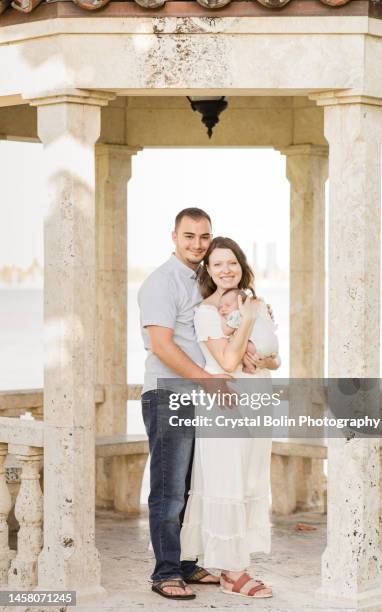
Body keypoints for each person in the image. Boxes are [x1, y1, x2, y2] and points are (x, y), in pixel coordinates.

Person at [180, 236, 280, 599]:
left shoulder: (253, 301)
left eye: (232, 262)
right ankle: (231, 573)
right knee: (227, 481)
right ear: (208, 269)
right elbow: (225, 362)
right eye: (218, 263)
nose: (227, 270)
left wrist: (262, 357)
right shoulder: (206, 312)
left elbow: (276, 359)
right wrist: (249, 322)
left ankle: (238, 565)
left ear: (242, 265)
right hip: (226, 405)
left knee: (250, 480)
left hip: (258, 401)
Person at [138, 208, 223, 600]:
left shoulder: (202, 282)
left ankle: (186, 562)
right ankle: (166, 571)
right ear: (173, 236)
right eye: (189, 236)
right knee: (169, 489)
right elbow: (161, 345)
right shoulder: (161, 282)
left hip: (195, 398)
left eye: (204, 237)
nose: (197, 244)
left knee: (191, 487)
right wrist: (207, 381)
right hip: (168, 395)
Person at [218, 287, 281, 373]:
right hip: (274, 345)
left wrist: (221, 317)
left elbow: (227, 331)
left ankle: (250, 367)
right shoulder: (255, 307)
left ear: (241, 304)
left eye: (228, 305)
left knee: (241, 346)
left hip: (260, 346)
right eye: (220, 307)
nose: (222, 309)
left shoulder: (238, 313)